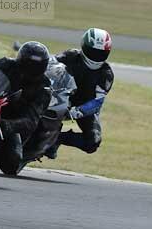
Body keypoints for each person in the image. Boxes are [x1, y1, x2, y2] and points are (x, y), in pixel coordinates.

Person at [0, 41, 52, 175]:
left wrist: (8, 125)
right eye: (28, 63)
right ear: (20, 59)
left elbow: (31, 120)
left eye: (36, 66)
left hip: (10, 118)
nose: (30, 69)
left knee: (11, 164)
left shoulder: (44, 88)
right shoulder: (6, 63)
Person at [46, 28, 114, 159]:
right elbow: (50, 64)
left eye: (100, 53)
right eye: (92, 51)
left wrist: (76, 112)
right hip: (60, 96)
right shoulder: (71, 55)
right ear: (84, 47)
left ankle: (58, 138)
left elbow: (97, 102)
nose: (95, 56)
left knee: (93, 142)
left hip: (84, 107)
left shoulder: (106, 74)